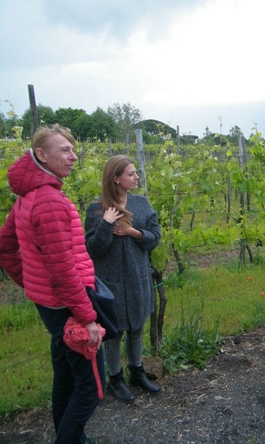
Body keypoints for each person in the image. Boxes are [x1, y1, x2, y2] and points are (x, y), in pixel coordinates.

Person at [0, 125, 106, 444]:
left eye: (74, 150)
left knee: (66, 378)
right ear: (42, 155)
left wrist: (34, 284)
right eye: (65, 150)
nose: (73, 157)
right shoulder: (48, 201)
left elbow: (5, 246)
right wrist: (87, 318)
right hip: (69, 308)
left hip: (51, 305)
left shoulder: (28, 197)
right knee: (90, 389)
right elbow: (62, 271)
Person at [84, 155, 161, 403]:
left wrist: (133, 232)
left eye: (135, 172)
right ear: (115, 178)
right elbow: (94, 250)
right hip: (111, 283)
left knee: (137, 328)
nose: (136, 177)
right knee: (114, 333)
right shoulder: (97, 210)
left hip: (138, 279)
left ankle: (137, 372)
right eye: (130, 173)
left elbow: (154, 238)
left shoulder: (141, 205)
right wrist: (106, 224)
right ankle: (115, 379)